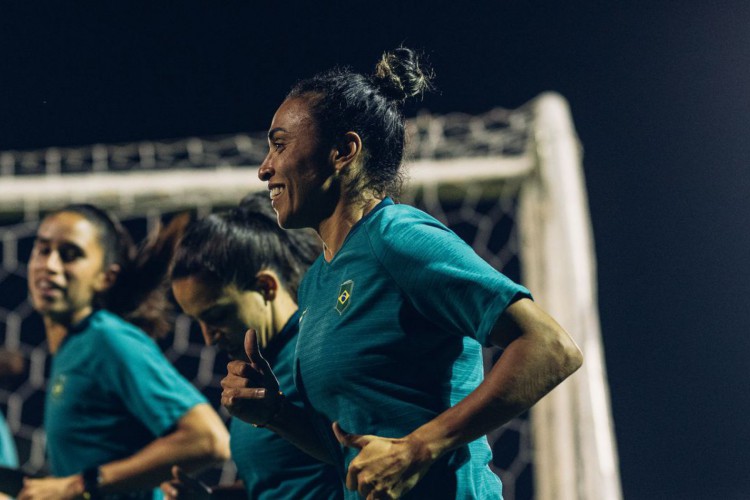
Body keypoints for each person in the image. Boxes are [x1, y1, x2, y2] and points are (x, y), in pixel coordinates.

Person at [221, 47, 584, 499]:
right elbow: (351, 452)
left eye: (280, 144)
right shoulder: (316, 282)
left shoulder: (397, 236)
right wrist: (275, 413)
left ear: (343, 151)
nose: (264, 168)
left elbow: (551, 347)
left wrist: (419, 447)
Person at [21, 204, 230, 500]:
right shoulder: (73, 346)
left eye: (70, 255)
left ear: (105, 277)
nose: (50, 265)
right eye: (43, 250)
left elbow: (208, 439)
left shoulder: (108, 338)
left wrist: (78, 485)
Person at [163, 193, 342, 499]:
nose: (208, 338)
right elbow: (283, 483)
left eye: (217, 316)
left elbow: (369, 456)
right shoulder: (259, 372)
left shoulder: (322, 353)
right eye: (197, 321)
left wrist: (277, 415)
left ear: (265, 287)